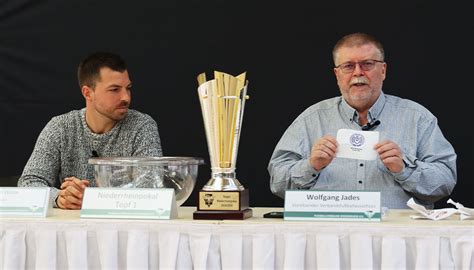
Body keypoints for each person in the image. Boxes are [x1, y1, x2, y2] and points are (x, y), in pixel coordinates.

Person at [268, 33, 456, 209]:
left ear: (383, 70)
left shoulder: (418, 118)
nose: (358, 73)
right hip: (327, 234)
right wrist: (311, 165)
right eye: (348, 66)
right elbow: (277, 182)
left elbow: (445, 182)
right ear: (337, 75)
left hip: (396, 237)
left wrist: (404, 169)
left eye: (367, 64)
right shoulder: (310, 120)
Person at [18, 51, 163, 209]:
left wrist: (90, 199)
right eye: (114, 90)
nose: (126, 97)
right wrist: (59, 197)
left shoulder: (142, 126)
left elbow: (151, 189)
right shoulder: (60, 127)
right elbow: (28, 183)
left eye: (128, 88)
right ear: (88, 93)